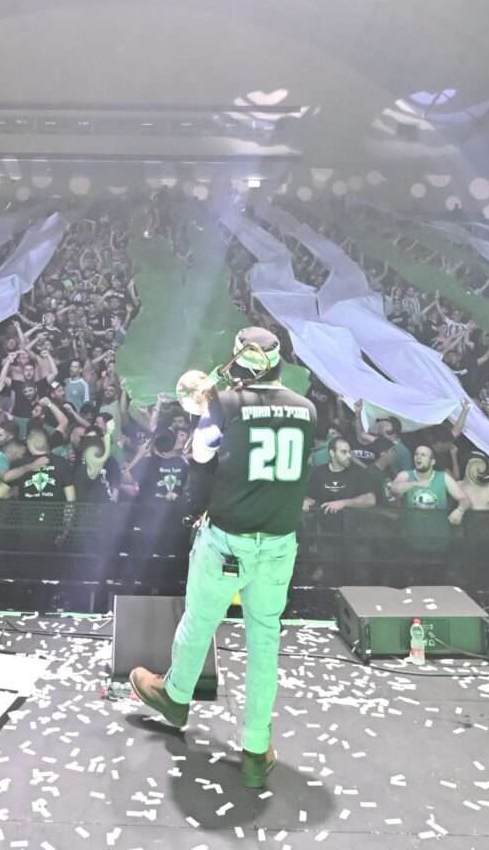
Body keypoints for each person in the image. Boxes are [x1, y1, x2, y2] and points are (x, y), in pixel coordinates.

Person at [129, 330, 316, 790]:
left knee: (200, 620)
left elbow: (201, 453)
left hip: (228, 539)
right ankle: (255, 749)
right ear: (278, 363)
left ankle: (175, 697)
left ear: (239, 361)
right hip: (279, 542)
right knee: (264, 641)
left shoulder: (227, 404)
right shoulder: (307, 409)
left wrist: (211, 406)